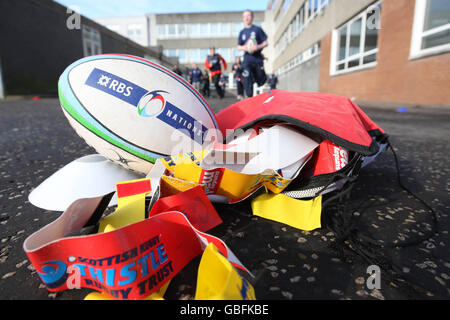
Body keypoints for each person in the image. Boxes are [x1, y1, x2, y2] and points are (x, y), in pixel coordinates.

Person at [237, 9, 268, 98]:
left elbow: (266, 43)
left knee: (261, 80)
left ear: (252, 17)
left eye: (248, 15)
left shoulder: (257, 29)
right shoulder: (242, 32)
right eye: (244, 16)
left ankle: (258, 79)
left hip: (257, 59)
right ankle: (249, 98)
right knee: (247, 78)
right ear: (243, 18)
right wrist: (245, 47)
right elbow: (238, 46)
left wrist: (257, 47)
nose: (246, 18)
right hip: (247, 60)